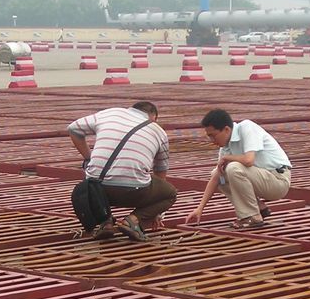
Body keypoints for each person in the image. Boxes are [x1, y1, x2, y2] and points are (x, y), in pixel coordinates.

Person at [67, 100, 175, 241]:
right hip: (134, 191)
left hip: (95, 190)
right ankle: (133, 220)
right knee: (170, 194)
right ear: (153, 117)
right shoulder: (158, 131)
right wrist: (156, 212)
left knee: (93, 175)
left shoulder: (111, 113)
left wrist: (89, 158)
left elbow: (73, 129)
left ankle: (105, 221)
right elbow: (160, 171)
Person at [185, 108, 292, 230]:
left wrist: (228, 158)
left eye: (213, 136)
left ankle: (252, 216)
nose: (212, 141)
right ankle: (259, 208)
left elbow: (249, 160)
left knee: (233, 168)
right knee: (220, 175)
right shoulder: (225, 147)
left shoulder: (247, 127)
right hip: (262, 179)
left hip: (278, 180)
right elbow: (216, 178)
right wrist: (200, 208)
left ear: (226, 129)